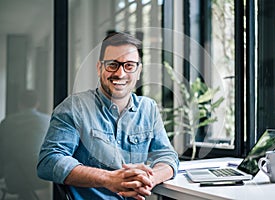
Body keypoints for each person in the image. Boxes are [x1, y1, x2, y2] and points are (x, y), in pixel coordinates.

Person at [37, 32, 179, 200]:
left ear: (139, 71)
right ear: (99, 68)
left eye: (129, 66)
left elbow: (167, 156)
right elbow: (49, 161)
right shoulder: (74, 108)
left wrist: (150, 178)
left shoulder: (148, 108)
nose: (120, 74)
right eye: (112, 64)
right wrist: (108, 179)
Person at [0, 90, 50, 199]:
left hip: (14, 178)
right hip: (41, 177)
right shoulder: (48, 121)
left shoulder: (7, 122)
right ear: (37, 104)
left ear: (20, 104)